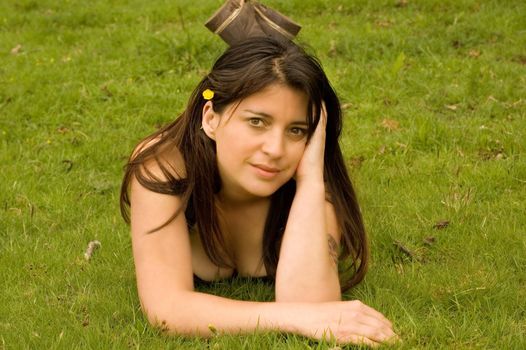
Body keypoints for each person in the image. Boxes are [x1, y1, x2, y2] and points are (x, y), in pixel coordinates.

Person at [119, 36, 398, 346]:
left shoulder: (310, 183)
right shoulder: (165, 168)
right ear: (211, 118)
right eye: (257, 122)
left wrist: (309, 183)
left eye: (296, 130)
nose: (276, 149)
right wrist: (290, 318)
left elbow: (316, 306)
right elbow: (167, 308)